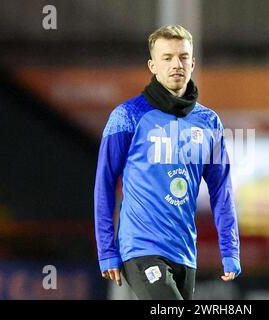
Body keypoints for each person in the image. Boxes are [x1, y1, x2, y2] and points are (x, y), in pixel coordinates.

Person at [94, 25, 241, 300]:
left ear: (193, 63)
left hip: (185, 252)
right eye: (167, 57)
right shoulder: (127, 116)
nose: (177, 64)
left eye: (183, 57)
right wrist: (106, 250)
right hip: (140, 247)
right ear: (153, 65)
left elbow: (222, 190)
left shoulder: (209, 122)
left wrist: (230, 249)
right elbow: (103, 183)